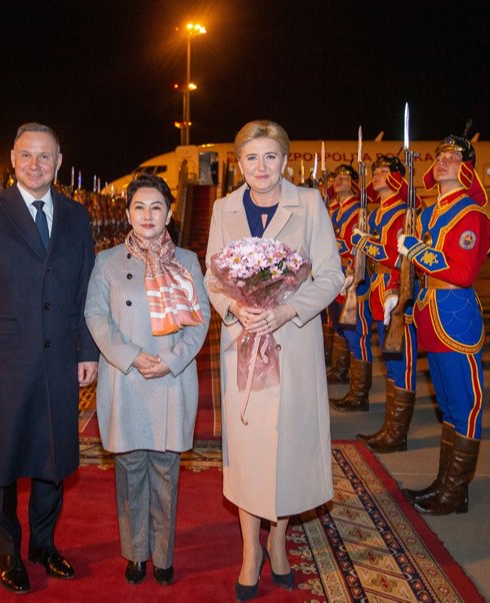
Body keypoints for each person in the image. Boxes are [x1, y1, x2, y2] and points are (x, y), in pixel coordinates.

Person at [0, 123, 98, 594]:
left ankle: (43, 544)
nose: (35, 164)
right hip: (4, 361)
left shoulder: (78, 218)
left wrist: (88, 350)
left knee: (52, 458)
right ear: (12, 159)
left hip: (59, 359)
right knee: (1, 463)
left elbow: (84, 290)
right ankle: (9, 552)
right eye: (26, 155)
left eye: (45, 157)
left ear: (58, 162)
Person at [204, 120, 342, 599]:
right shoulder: (224, 208)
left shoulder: (309, 204)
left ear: (285, 161)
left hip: (292, 346)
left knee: (286, 452)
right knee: (247, 453)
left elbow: (330, 277)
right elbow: (213, 277)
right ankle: (250, 550)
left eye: (270, 157)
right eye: (251, 158)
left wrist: (285, 310)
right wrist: (235, 307)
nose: (261, 168)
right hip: (243, 345)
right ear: (239, 163)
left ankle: (279, 541)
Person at [84, 172, 210, 586]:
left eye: (156, 207)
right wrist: (133, 357)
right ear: (127, 214)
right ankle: (136, 553)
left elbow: (200, 320)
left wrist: (170, 360)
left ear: (169, 213)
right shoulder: (106, 262)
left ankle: (163, 554)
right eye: (139, 207)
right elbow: (96, 318)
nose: (147, 215)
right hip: (126, 380)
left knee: (165, 473)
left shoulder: (188, 261)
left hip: (171, 381)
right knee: (130, 470)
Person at [398, 135, 490, 514]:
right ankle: (446, 486)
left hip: (455, 314)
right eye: (439, 156)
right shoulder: (429, 212)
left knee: (466, 404)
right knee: (449, 407)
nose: (443, 162)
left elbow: (463, 270)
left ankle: (455, 492)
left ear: (467, 168)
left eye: (453, 157)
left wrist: (415, 248)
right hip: (430, 312)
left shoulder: (471, 214)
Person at [334, 155, 419, 453]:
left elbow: (397, 257)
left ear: (398, 177)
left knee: (400, 360)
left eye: (385, 171)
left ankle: (397, 434)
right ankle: (389, 429)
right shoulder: (378, 212)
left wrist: (363, 243)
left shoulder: (400, 213)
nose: (378, 175)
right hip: (376, 287)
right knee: (388, 356)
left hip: (395, 289)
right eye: (376, 171)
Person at [325, 164, 361, 385]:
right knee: (336, 321)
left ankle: (355, 383)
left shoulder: (356, 210)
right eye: (336, 177)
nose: (338, 181)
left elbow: (352, 245)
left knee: (349, 325)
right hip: (331, 270)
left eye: (345, 178)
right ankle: (339, 370)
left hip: (346, 270)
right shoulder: (332, 208)